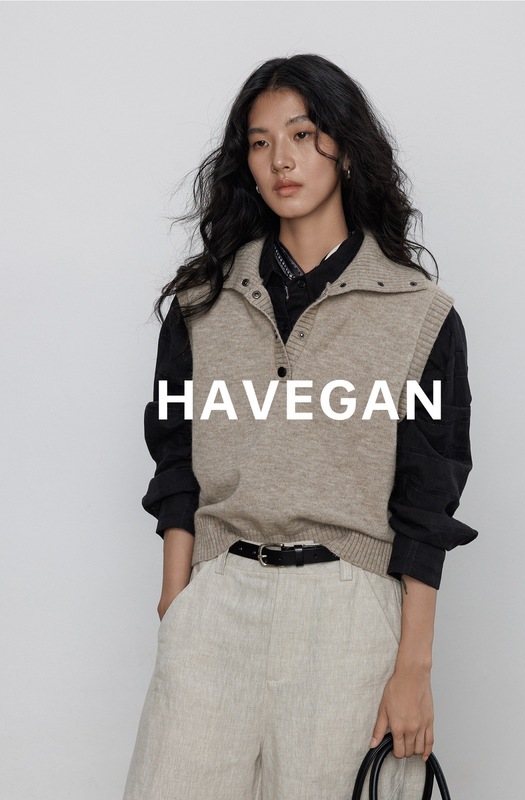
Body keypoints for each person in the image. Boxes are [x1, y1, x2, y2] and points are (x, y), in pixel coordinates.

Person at [122, 53, 478, 800]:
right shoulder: (201, 305)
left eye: (302, 134)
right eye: (260, 142)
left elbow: (427, 500)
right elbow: (175, 454)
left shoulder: (420, 314)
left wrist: (413, 668)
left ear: (343, 147)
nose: (281, 159)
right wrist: (176, 600)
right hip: (217, 599)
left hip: (348, 613)